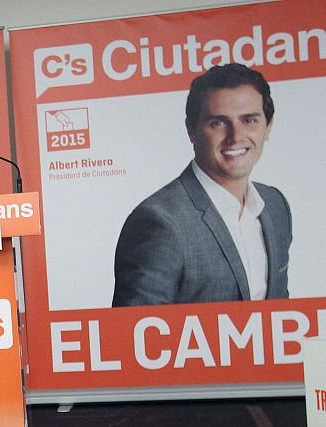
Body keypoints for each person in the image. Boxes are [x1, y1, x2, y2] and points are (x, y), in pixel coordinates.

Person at [112, 63, 292, 307]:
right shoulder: (159, 222)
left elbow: (280, 315)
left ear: (267, 127)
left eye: (249, 120)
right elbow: (138, 336)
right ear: (191, 130)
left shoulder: (275, 205)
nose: (236, 136)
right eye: (218, 122)